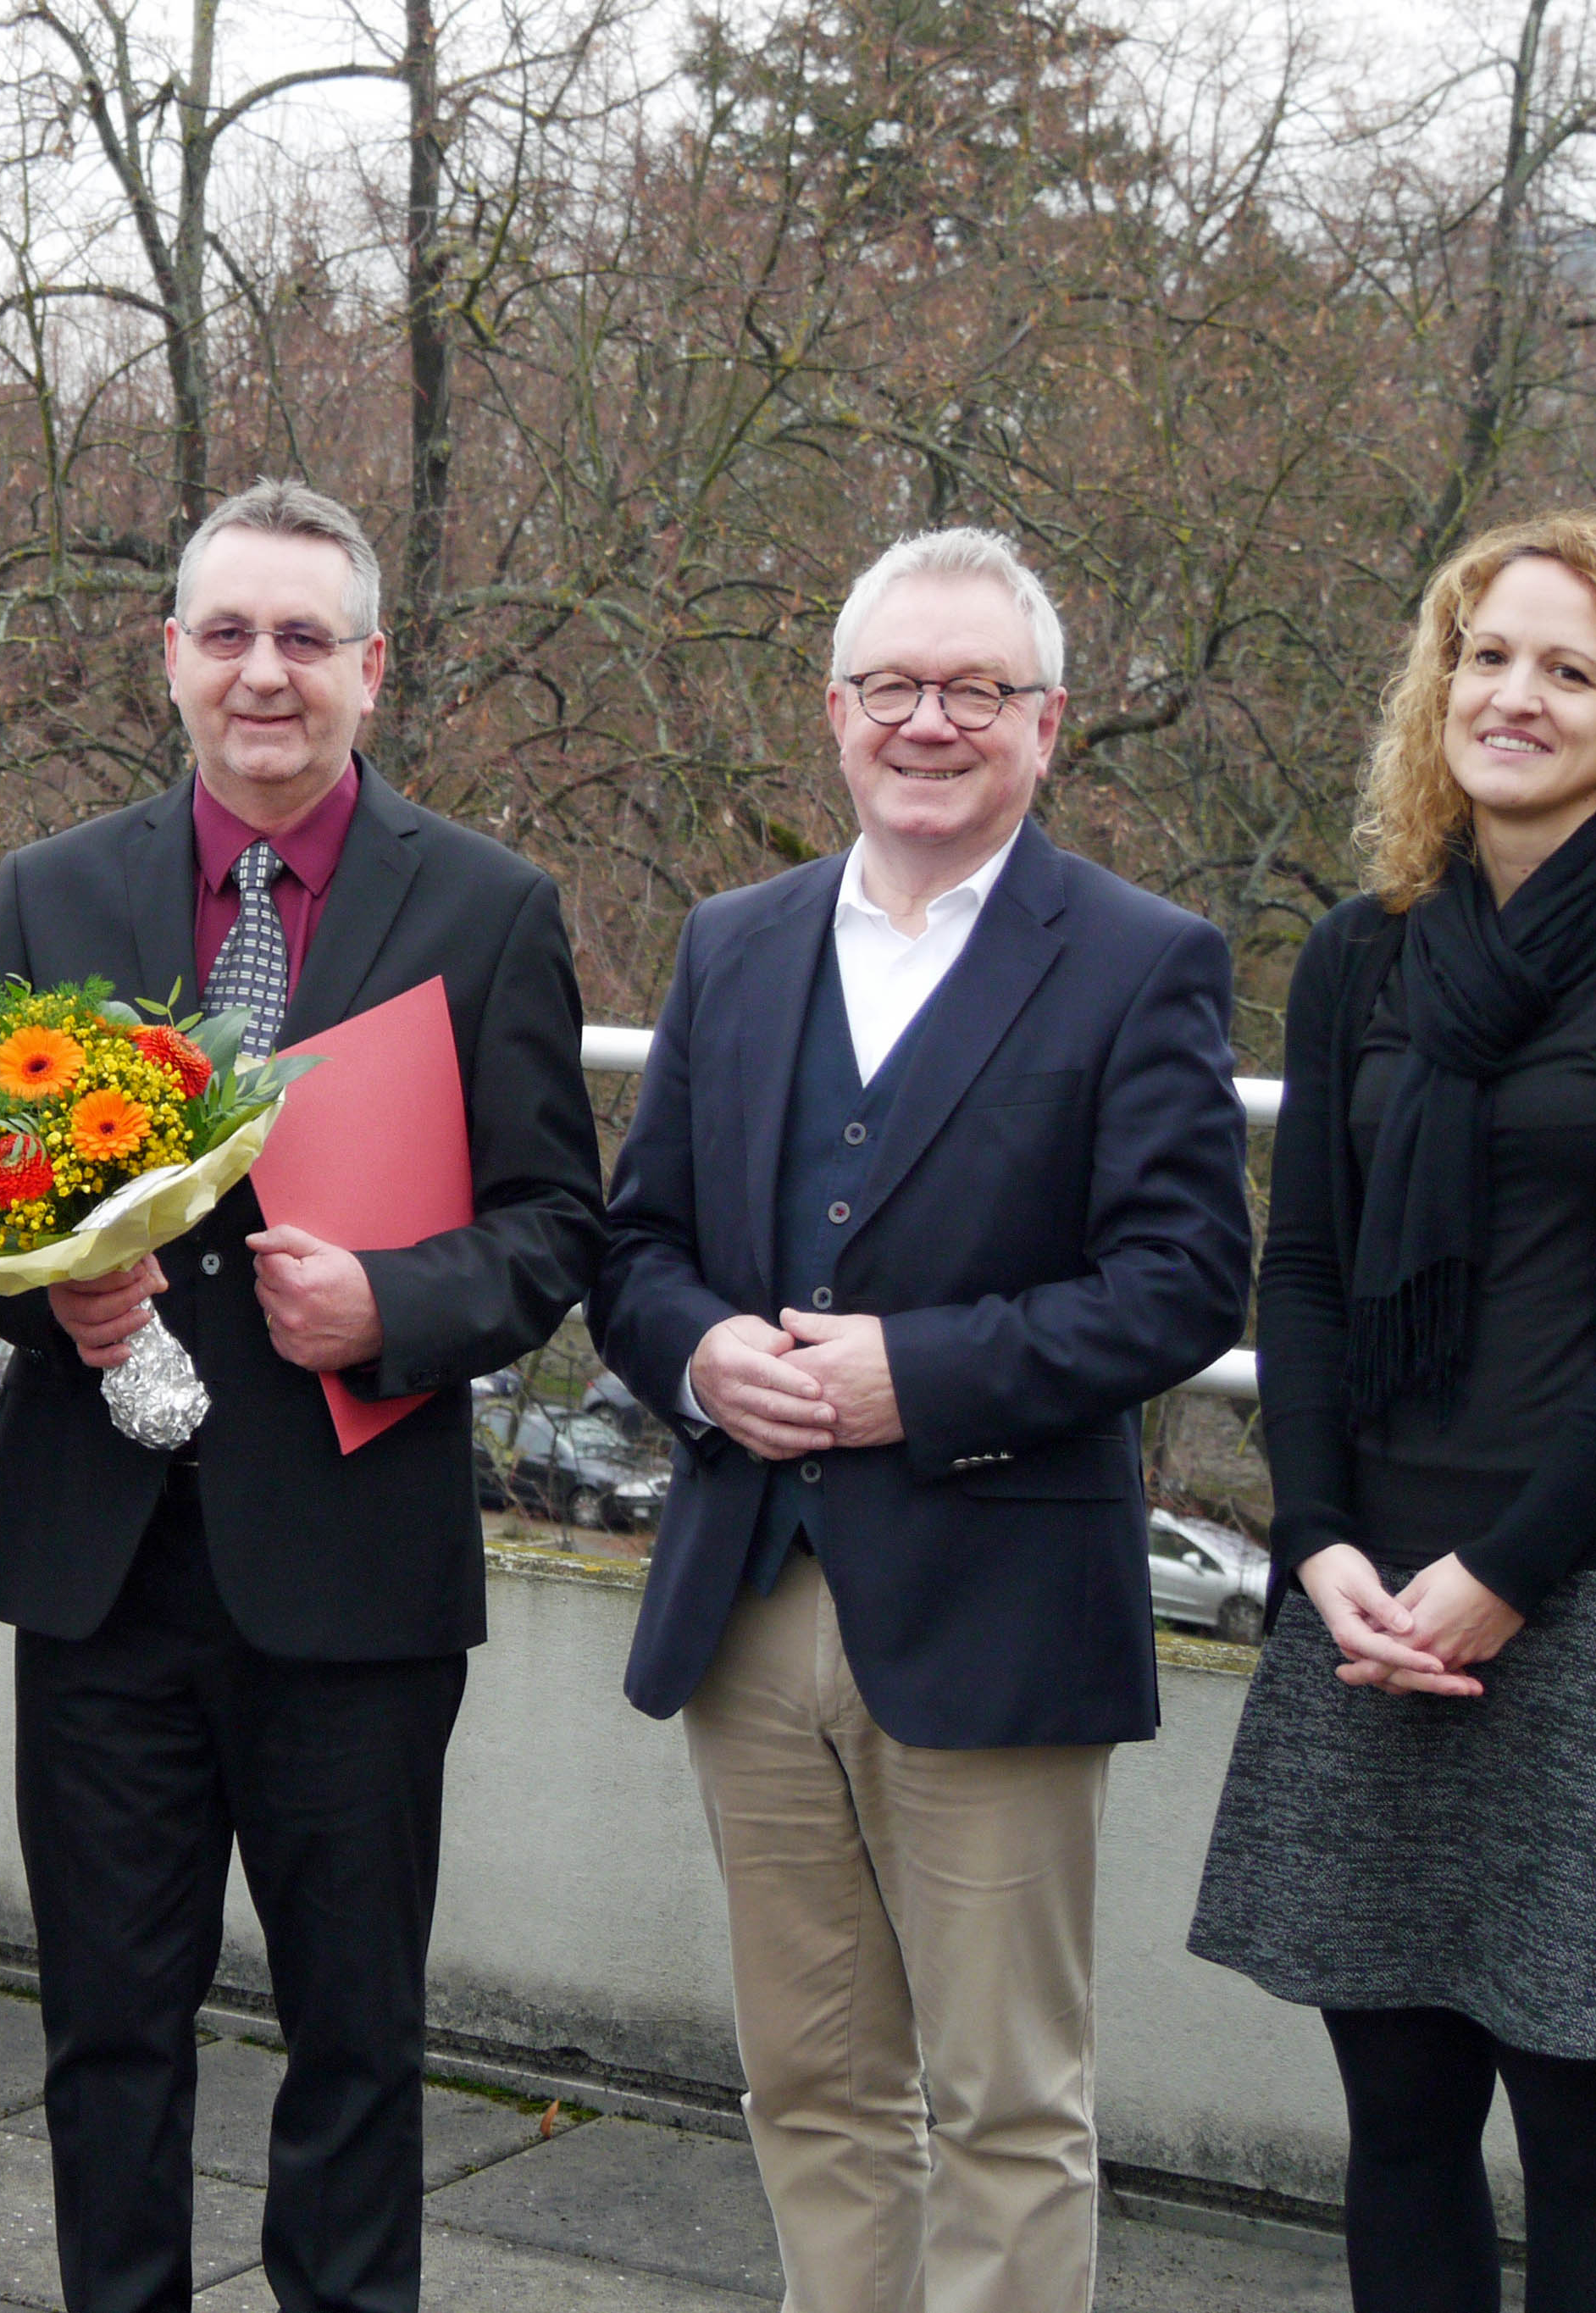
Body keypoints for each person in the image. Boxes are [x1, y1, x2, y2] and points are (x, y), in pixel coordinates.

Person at [0, 480, 606, 2312]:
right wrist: (45, 1293)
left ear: (370, 671)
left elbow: (556, 1230)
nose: (263, 674)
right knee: (104, 2038)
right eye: (226, 635)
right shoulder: (53, 891)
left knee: (354, 2044)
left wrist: (390, 1304)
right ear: (168, 658)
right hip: (98, 1575)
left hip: (350, 1578)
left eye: (303, 639)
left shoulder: (486, 910)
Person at [589, 527, 1252, 2312]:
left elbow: (1185, 1281)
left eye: (974, 691)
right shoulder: (731, 946)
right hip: (749, 1593)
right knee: (808, 2082)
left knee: (1005, 2102)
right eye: (894, 686)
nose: (929, 722)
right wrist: (700, 1352)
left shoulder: (1137, 960)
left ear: (1046, 727)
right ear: (834, 713)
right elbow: (632, 1244)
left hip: (995, 1605)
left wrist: (917, 1376)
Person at [1189, 512, 1596, 2313]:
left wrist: (1505, 1572)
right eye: (1483, 656)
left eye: (1567, 670)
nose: (1510, 697)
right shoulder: (1361, 956)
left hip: (1590, 1599)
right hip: (1366, 1606)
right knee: (1390, 2131)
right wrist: (1314, 1551)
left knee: (1585, 2144)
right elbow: (1292, 1274)